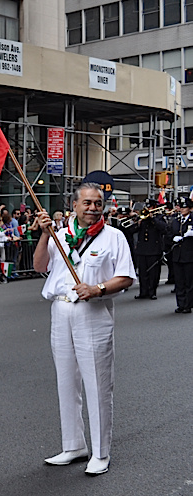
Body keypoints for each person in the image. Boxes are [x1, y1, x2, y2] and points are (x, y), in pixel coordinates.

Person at [33, 183, 135, 476]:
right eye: (87, 203)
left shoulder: (113, 236)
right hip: (61, 310)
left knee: (97, 384)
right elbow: (40, 266)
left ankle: (101, 453)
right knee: (66, 382)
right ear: (74, 205)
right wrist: (44, 234)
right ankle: (73, 445)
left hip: (93, 312)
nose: (93, 208)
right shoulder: (59, 234)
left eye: (98, 203)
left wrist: (97, 288)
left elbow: (125, 277)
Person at [128, 198, 168, 300]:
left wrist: (152, 219)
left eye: (150, 207)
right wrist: (137, 223)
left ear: (154, 207)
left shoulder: (159, 217)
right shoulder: (141, 218)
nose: (148, 209)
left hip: (154, 250)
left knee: (153, 273)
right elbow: (131, 231)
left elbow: (164, 229)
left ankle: (152, 292)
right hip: (142, 250)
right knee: (142, 272)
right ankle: (143, 292)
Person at [168, 196, 193, 313]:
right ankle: (180, 304)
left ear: (190, 208)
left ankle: (188, 305)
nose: (182, 209)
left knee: (189, 282)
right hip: (177, 255)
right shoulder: (176, 220)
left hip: (189, 256)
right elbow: (169, 233)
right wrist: (173, 238)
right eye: (181, 207)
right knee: (179, 281)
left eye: (185, 207)